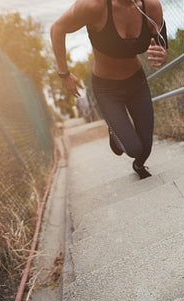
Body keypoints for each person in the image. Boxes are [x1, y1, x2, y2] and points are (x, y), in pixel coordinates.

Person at [51, 0, 168, 179]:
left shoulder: (151, 6)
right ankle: (114, 130)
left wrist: (163, 54)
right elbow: (57, 28)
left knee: (145, 148)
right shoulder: (93, 6)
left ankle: (138, 165)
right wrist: (64, 74)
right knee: (133, 148)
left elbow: (161, 43)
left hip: (137, 83)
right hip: (107, 89)